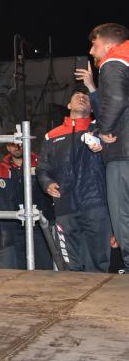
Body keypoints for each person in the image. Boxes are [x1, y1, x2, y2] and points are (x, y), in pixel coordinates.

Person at [37, 90, 111, 272]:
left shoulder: (100, 130)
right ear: (68, 106)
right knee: (70, 264)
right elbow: (42, 168)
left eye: (85, 98)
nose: (81, 98)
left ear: (92, 107)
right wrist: (47, 184)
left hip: (96, 204)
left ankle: (98, 300)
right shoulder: (51, 136)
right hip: (65, 206)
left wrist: (103, 147)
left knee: (99, 262)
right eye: (77, 96)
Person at [88, 23, 129, 271]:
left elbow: (115, 99)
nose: (92, 52)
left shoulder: (114, 61)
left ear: (109, 44)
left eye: (94, 44)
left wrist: (102, 131)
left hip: (123, 154)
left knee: (122, 216)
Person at [3, 142, 54, 269]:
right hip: (15, 227)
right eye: (13, 145)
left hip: (39, 225)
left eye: (20, 144)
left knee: (44, 268)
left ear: (27, 144)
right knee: (18, 269)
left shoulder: (40, 163)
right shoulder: (2, 168)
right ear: (8, 147)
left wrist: (51, 219)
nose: (18, 147)